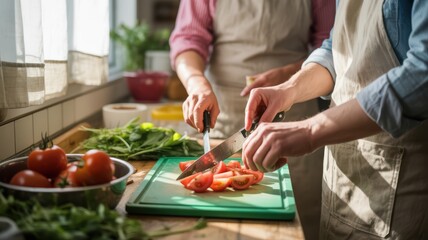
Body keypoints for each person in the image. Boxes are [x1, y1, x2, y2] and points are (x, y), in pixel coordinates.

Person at [241, 0, 428, 239]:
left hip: (402, 189)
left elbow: (422, 76)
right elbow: (336, 49)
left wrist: (310, 130)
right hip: (344, 179)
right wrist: (289, 89)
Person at [169, 1, 335, 239]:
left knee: (301, 220)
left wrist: (289, 76)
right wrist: (197, 83)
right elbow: (188, 39)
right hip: (222, 116)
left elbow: (331, 44)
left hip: (293, 117)